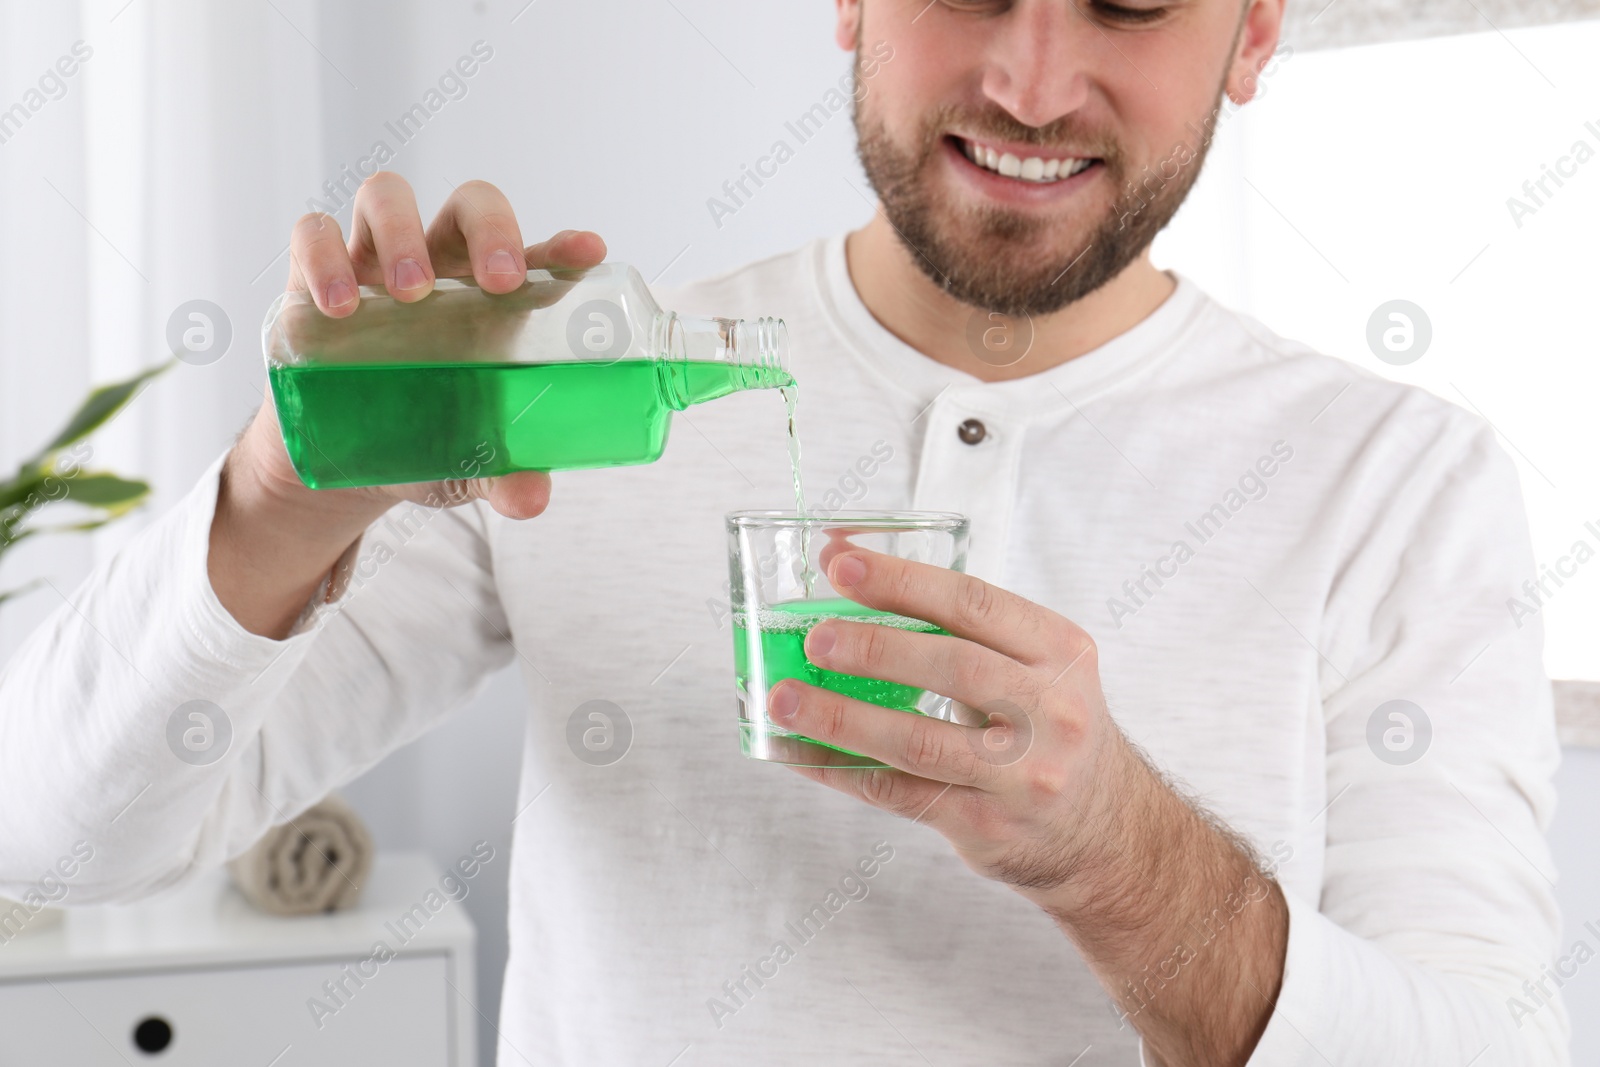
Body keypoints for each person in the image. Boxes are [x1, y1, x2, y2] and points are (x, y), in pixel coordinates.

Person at [0, 0, 1567, 1063]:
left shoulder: (1399, 484)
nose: (1028, 84)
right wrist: (283, 500)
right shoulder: (567, 403)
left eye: (1130, 1)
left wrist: (1125, 863)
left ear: (1258, 28)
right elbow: (58, 839)